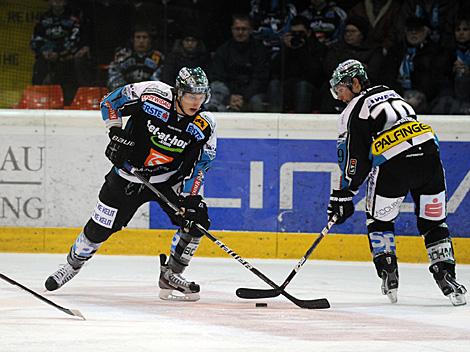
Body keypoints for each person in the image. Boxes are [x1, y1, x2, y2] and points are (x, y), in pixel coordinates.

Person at [45, 67, 216, 302]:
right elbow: (110, 102)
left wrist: (192, 198)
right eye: (190, 95)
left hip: (168, 181)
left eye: (201, 96)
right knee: (99, 228)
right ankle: (71, 266)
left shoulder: (204, 124)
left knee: (196, 222)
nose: (196, 102)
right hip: (127, 176)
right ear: (178, 92)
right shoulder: (150, 93)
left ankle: (170, 276)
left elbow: (201, 165)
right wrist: (115, 132)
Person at [326, 59, 467, 306]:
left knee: (379, 219)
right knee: (434, 222)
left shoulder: (353, 111)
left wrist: (345, 193)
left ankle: (388, 271)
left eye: (341, 90)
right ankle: (447, 275)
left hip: (394, 166)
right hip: (430, 159)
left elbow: (354, 158)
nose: (339, 97)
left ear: (355, 83)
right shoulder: (391, 93)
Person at [30, 0, 93, 104]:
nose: (57, 3)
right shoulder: (43, 19)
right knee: (39, 67)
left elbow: (74, 39)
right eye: (54, 1)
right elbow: (36, 40)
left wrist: (59, 53)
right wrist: (45, 52)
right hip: (47, 57)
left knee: (76, 65)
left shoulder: (74, 18)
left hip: (67, 57)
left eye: (60, 1)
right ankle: (37, 101)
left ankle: (76, 101)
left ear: (64, 2)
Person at [210, 13, 270, 112]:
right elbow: (217, 76)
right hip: (228, 92)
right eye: (237, 29)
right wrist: (231, 97)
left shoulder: (260, 50)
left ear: (250, 30)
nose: (240, 32)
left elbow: (261, 78)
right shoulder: (223, 50)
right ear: (232, 30)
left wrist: (244, 96)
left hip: (252, 93)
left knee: (257, 101)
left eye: (244, 29)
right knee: (215, 91)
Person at [267, 15, 326, 113]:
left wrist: (303, 49)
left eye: (301, 33)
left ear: (309, 32)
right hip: (288, 86)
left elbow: (316, 75)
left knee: (302, 86)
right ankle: (273, 122)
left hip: (310, 88)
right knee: (274, 84)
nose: (297, 36)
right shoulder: (288, 47)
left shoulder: (318, 48)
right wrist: (286, 49)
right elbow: (274, 70)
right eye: (294, 33)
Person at [107, 26, 164, 91]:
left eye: (145, 37)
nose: (141, 41)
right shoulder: (121, 55)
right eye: (138, 37)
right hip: (124, 93)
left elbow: (159, 81)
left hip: (149, 94)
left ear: (150, 40)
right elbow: (113, 77)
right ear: (132, 39)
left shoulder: (159, 58)